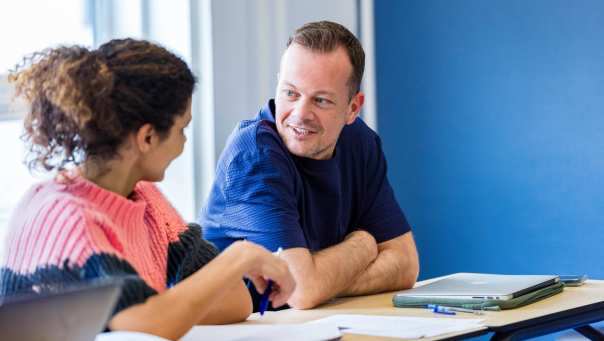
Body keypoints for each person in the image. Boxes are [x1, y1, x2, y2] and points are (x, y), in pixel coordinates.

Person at [0, 39, 295, 340]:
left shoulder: (145, 200)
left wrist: (165, 307)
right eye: (182, 129)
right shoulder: (62, 216)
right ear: (148, 138)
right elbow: (141, 326)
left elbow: (234, 303)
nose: (183, 142)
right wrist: (238, 258)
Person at [199, 21, 419, 310]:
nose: (300, 114)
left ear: (353, 108)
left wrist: (323, 280)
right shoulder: (253, 156)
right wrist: (364, 244)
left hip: (310, 324)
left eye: (321, 100)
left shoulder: (360, 143)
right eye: (290, 93)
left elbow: (405, 265)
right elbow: (302, 290)